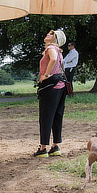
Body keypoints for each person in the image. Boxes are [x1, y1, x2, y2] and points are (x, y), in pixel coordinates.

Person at [34, 29, 67, 158]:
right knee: (57, 115)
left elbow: (52, 59)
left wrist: (45, 75)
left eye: (51, 34)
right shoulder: (59, 51)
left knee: (46, 116)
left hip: (50, 86)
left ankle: (43, 148)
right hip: (61, 85)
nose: (47, 34)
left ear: (55, 39)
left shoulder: (51, 48)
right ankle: (55, 146)